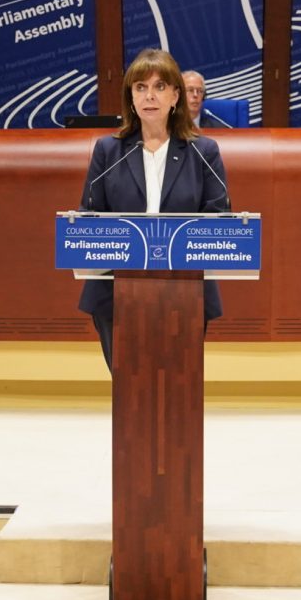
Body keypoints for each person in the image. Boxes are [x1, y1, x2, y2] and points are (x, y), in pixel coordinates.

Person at [78, 48, 230, 371]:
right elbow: (89, 216)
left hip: (184, 291)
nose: (150, 96)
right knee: (129, 387)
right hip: (116, 291)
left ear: (175, 96)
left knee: (178, 385)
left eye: (160, 86)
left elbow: (219, 218)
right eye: (140, 87)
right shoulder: (108, 150)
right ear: (130, 97)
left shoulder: (203, 151)